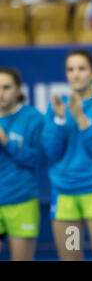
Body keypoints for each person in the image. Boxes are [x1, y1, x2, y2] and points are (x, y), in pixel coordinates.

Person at [42, 49, 92, 261]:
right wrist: (59, 119)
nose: (75, 74)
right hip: (65, 196)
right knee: (71, 258)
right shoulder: (57, 107)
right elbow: (52, 153)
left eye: (81, 68)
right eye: (70, 69)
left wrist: (80, 117)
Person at [0, 67, 45, 261]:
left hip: (21, 200)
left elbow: (38, 159)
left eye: (6, 87)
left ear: (18, 90)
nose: (0, 93)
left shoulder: (33, 118)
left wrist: (7, 142)